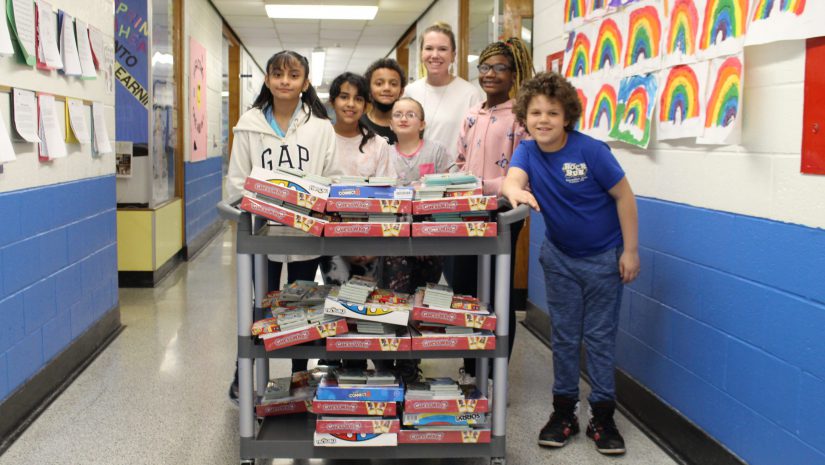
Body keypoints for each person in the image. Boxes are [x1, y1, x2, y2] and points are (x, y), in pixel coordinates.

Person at [502, 72, 640, 455]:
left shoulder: (592, 151)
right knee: (563, 337)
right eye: (535, 113)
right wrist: (516, 191)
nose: (543, 119)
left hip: (604, 260)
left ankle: (603, 416)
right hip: (559, 259)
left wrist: (630, 251)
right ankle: (564, 412)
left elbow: (625, 198)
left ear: (567, 117)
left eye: (552, 112)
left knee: (598, 338)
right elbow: (511, 180)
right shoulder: (527, 151)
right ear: (524, 117)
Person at [225, 50, 336, 403]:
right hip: (262, 235)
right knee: (261, 306)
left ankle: (299, 379)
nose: (284, 81)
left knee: (303, 308)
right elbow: (237, 182)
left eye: (293, 75)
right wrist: (272, 202)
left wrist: (302, 204)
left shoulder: (321, 128)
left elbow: (330, 179)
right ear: (267, 79)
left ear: (305, 83)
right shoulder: (249, 124)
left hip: (305, 233)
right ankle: (246, 372)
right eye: (277, 74)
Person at [447, 37, 534, 385]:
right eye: (485, 67)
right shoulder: (472, 114)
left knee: (497, 292)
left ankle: (496, 374)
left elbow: (522, 175)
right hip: (466, 214)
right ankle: (471, 369)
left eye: (500, 68)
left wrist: (484, 186)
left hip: (501, 217)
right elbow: (459, 162)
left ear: (514, 73)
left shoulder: (521, 117)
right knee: (466, 290)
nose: (490, 74)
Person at [404, 22, 484, 162]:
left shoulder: (470, 93)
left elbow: (476, 142)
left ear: (453, 55)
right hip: (414, 176)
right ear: (421, 53)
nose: (435, 55)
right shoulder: (410, 92)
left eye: (442, 49)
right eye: (429, 48)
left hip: (453, 179)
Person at [362, 58, 406, 145]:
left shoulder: (408, 126)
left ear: (401, 91)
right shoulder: (358, 125)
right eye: (379, 83)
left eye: (393, 84)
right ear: (369, 89)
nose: (386, 88)